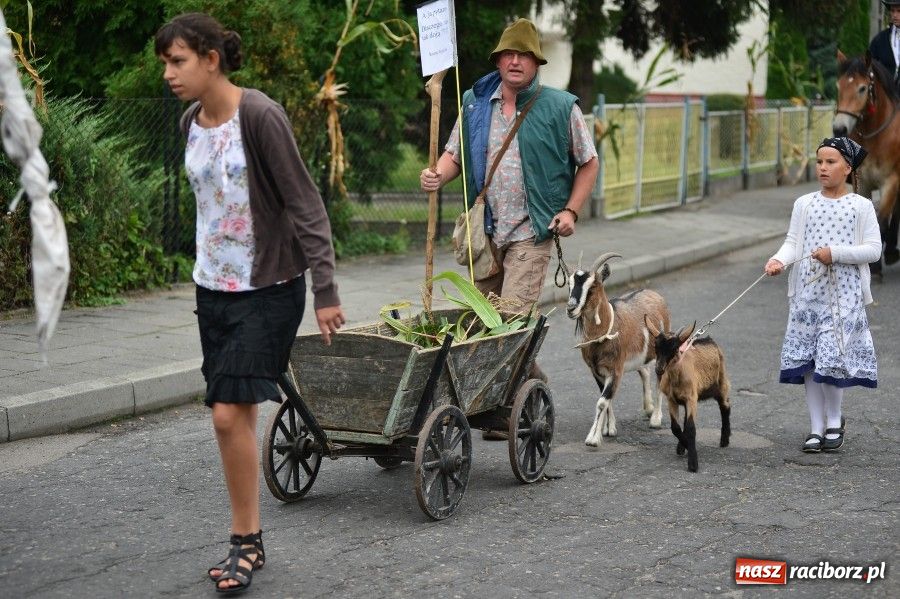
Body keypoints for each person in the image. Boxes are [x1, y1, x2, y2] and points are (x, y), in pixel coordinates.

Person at [156, 13, 345, 593]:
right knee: (232, 417)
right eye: (164, 62)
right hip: (212, 288)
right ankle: (251, 538)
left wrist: (326, 291)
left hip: (269, 289)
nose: (169, 73)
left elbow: (305, 203)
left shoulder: (260, 115)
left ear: (211, 59)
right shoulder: (191, 121)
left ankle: (245, 541)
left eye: (178, 61)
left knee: (223, 414)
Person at [420, 18, 599, 309]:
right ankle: (525, 357)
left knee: (510, 319)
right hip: (485, 234)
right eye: (508, 55)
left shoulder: (561, 107)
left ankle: (517, 351)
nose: (515, 62)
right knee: (480, 321)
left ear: (536, 63)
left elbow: (589, 162)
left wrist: (570, 211)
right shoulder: (474, 103)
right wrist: (437, 176)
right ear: (498, 61)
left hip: (531, 232)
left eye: (524, 55)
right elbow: (454, 154)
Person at [764, 137, 880, 454]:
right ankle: (816, 428)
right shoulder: (804, 204)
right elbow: (792, 243)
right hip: (807, 294)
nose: (823, 168)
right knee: (810, 365)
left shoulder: (861, 206)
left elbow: (873, 249)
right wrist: (779, 260)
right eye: (819, 162)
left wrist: (836, 253)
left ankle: (833, 421)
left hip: (844, 296)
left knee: (830, 359)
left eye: (830, 162)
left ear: (847, 167)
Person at [868, 0, 900, 267]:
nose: (895, 15)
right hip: (886, 103)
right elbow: (870, 73)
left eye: (899, 10)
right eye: (892, 11)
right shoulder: (879, 41)